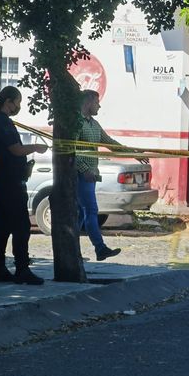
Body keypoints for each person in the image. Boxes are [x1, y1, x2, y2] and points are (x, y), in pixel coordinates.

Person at [76, 90, 148, 261]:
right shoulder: (77, 123)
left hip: (91, 175)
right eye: (97, 102)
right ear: (88, 102)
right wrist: (84, 169)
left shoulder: (94, 125)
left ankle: (73, 251)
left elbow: (110, 143)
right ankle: (100, 248)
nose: (99, 106)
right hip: (81, 176)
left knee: (80, 214)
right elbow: (72, 151)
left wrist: (133, 153)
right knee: (91, 211)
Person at [0, 86, 48, 285]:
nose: (18, 107)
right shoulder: (1, 122)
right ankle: (22, 268)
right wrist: (36, 147)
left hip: (5, 177)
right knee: (21, 225)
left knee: (2, 224)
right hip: (7, 179)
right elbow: (16, 149)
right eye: (18, 102)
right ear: (9, 101)